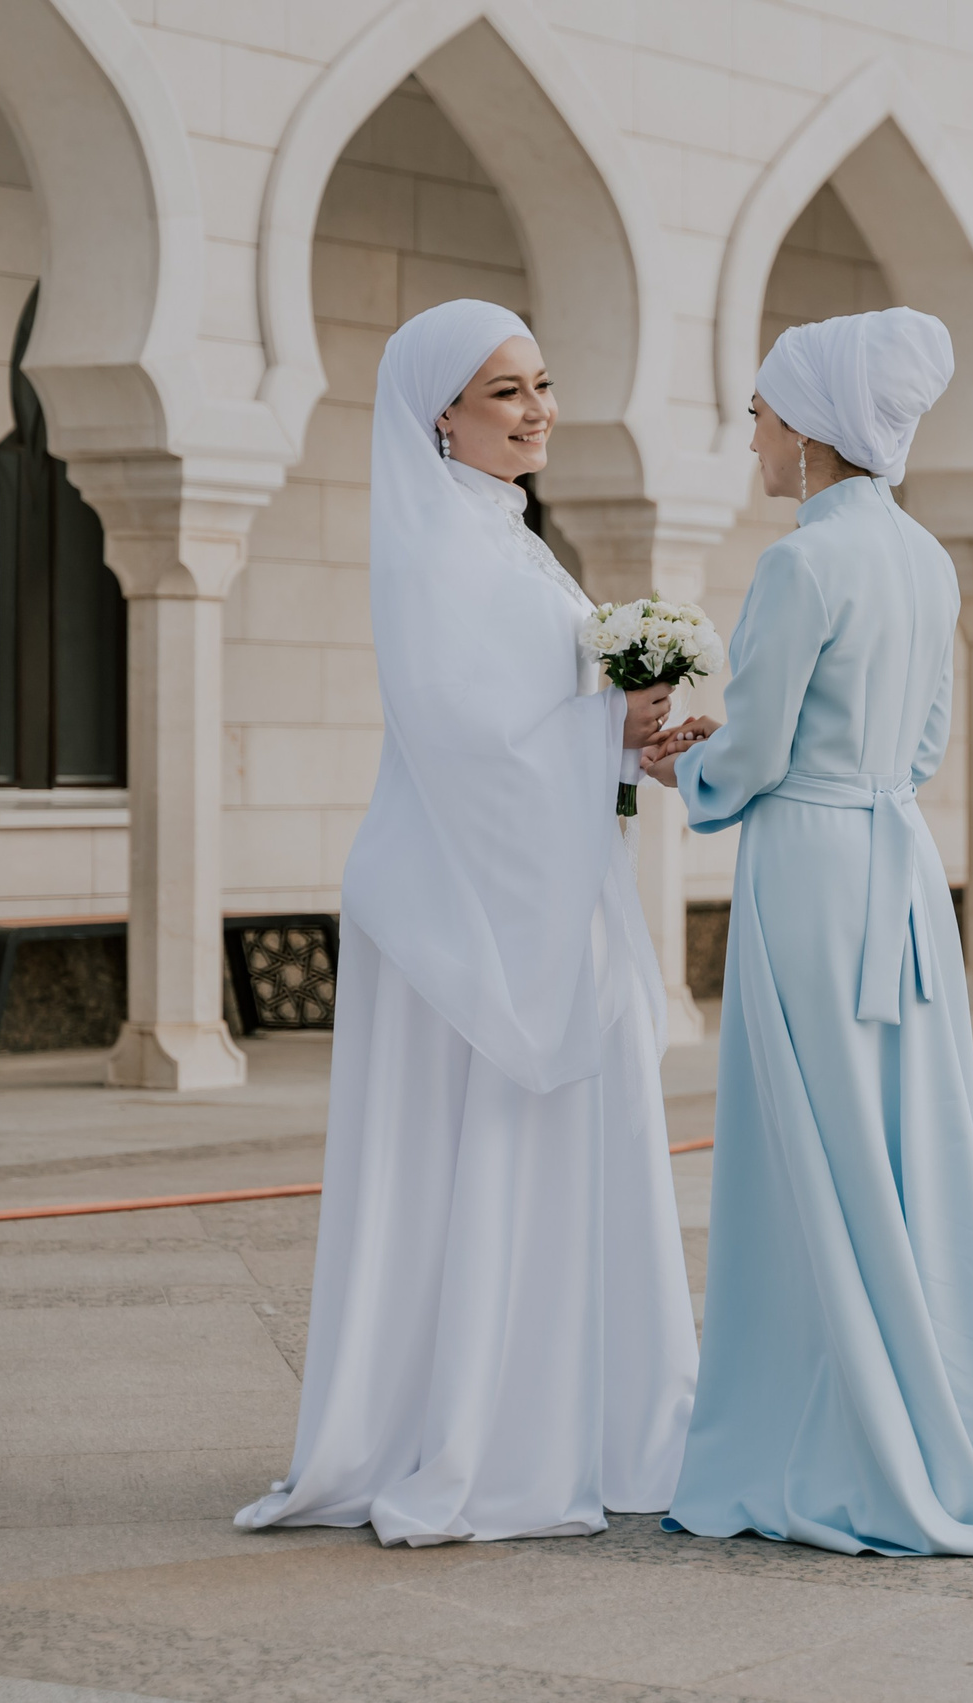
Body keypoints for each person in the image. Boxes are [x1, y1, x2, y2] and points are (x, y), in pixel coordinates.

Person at [237, 299, 699, 1547]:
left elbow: (532, 716)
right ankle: (492, 1433)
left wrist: (629, 725)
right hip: (470, 917)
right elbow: (466, 737)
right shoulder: (442, 541)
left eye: (542, 384)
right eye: (506, 391)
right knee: (482, 1148)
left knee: (546, 1149)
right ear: (440, 410)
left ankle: (570, 1413)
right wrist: (611, 717)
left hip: (529, 899)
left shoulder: (505, 536)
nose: (539, 409)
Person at [642, 306, 973, 1556]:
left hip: (808, 870)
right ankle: (944, 1420)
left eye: (762, 415)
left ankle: (827, 1433)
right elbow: (925, 744)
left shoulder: (801, 564)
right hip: (899, 868)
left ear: (810, 427)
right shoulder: (927, 560)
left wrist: (681, 769)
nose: (752, 440)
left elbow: (761, 747)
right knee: (904, 1145)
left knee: (806, 1144)